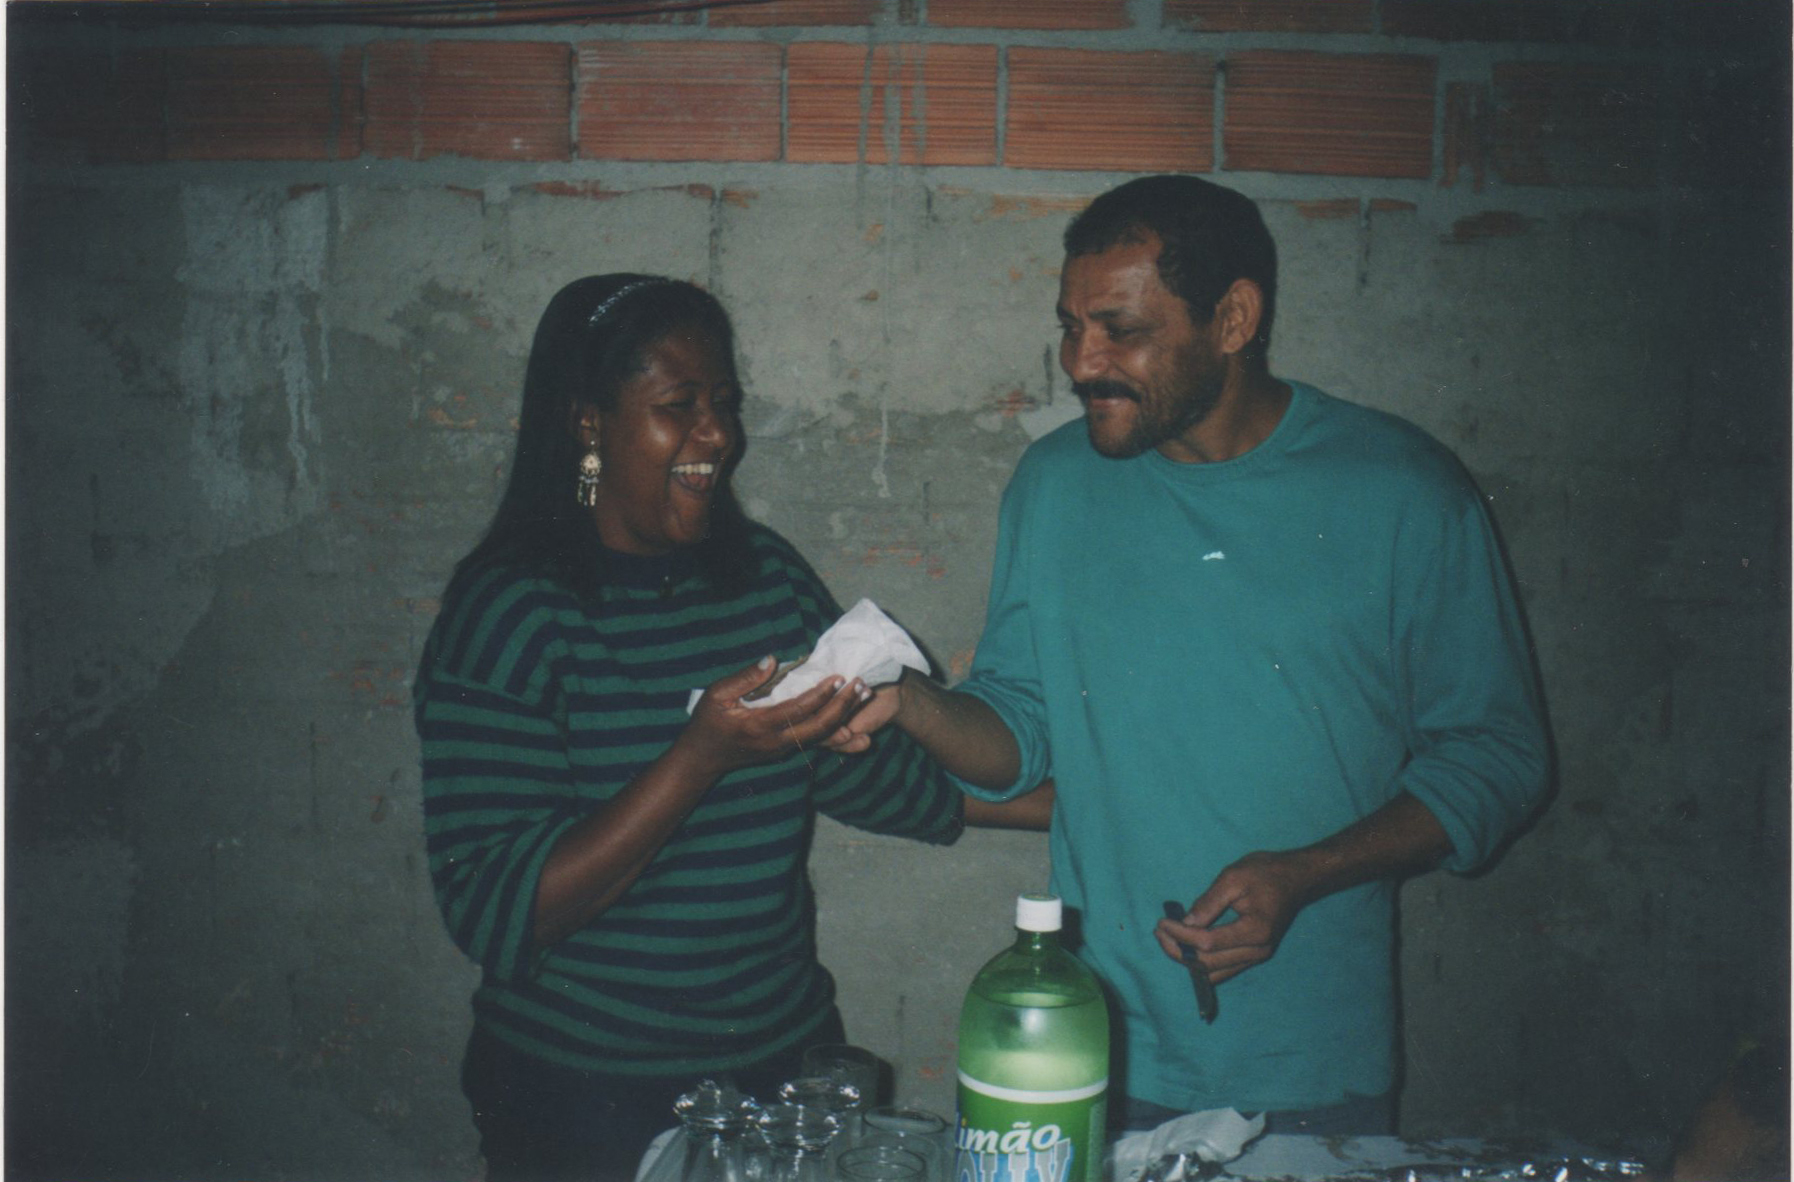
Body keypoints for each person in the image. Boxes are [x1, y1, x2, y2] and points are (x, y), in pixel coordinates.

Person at [830, 176, 1550, 1136]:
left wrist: (1307, 872)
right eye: (1070, 326)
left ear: (1234, 318)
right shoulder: (1053, 485)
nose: (1082, 363)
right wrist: (909, 700)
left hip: (1307, 1062)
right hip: (1092, 1040)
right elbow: (1022, 737)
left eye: (1120, 329)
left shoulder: (1402, 490)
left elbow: (1499, 758)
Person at [413, 274, 1047, 1182]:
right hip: (581, 1097)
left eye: (723, 403)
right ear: (588, 420)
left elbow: (876, 778)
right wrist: (699, 758)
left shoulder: (765, 581)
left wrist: (1084, 809)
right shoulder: (512, 611)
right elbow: (498, 911)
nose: (718, 436)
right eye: (679, 406)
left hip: (779, 1076)